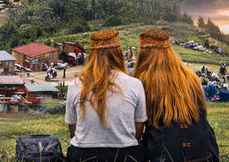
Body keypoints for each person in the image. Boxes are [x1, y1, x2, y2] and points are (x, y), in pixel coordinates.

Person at [133, 29, 219, 162]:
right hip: (204, 150)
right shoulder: (190, 76)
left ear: (143, 54)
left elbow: (138, 126)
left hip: (165, 153)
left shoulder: (143, 80)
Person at [65, 29, 146, 162]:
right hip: (125, 154)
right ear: (118, 54)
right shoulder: (135, 84)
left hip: (83, 154)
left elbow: (72, 129)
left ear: (91, 56)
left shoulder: (75, 85)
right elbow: (138, 129)